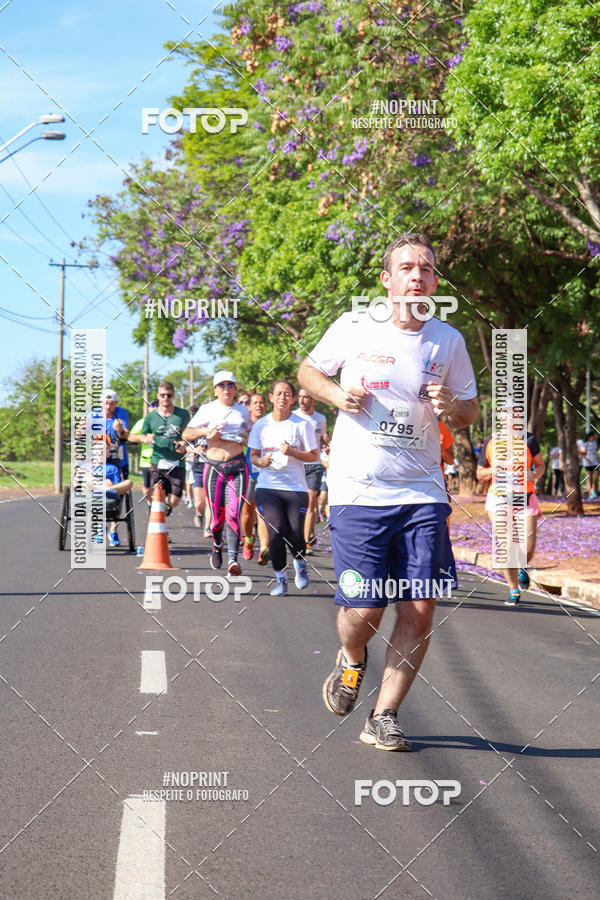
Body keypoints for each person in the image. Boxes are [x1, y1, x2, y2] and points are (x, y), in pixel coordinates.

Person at [298, 232, 478, 751]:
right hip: (357, 490)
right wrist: (337, 394)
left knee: (420, 607)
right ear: (387, 279)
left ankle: (384, 715)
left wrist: (452, 406)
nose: (416, 275)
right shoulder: (354, 326)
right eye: (406, 267)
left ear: (435, 281)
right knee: (366, 608)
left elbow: (469, 412)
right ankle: (353, 658)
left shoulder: (448, 340)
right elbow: (309, 371)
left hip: (422, 490)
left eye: (425, 268)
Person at [248, 381, 319, 595]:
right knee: (275, 531)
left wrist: (293, 453)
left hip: (296, 487)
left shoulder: (301, 424)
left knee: (296, 532)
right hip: (268, 486)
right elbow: (252, 455)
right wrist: (261, 462)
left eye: (287, 394)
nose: (282, 398)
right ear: (271, 397)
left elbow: (314, 455)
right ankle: (280, 580)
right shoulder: (261, 424)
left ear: (293, 399)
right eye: (278, 394)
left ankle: (299, 562)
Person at [182, 371, 251, 576]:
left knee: (233, 513)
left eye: (230, 385)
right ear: (215, 390)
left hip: (237, 466)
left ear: (235, 388)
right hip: (213, 467)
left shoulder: (243, 411)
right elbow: (186, 433)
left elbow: (252, 435)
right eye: (222, 385)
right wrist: (206, 432)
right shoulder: (207, 410)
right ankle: (217, 544)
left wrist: (245, 438)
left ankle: (233, 560)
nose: (226, 389)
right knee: (217, 518)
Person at [477, 424, 545, 606]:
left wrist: (535, 473)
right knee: (507, 547)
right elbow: (480, 473)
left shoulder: (529, 439)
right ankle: (513, 589)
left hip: (525, 498)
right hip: (499, 499)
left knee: (528, 548)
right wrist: (495, 469)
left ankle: (522, 566)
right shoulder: (490, 441)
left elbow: (540, 466)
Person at [137, 382, 190, 518]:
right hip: (157, 461)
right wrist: (146, 437)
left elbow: (189, 435)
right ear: (158, 396)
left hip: (177, 462)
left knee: (174, 501)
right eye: (163, 395)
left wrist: (183, 443)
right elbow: (142, 435)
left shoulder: (182, 414)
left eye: (169, 395)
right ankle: (159, 520)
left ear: (173, 396)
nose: (166, 398)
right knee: (157, 495)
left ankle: (166, 507)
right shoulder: (151, 417)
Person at [292, 389, 329, 555]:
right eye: (300, 397)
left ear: (313, 399)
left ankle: (306, 541)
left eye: (306, 397)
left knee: (310, 501)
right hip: (295, 464)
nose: (302, 400)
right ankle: (298, 533)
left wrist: (325, 445)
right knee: (296, 503)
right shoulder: (292, 416)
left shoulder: (321, 419)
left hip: (314, 464)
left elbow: (321, 440)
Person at [241, 392, 271, 564]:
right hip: (249, 471)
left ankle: (264, 548)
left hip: (266, 471)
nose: (259, 405)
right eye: (255, 403)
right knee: (247, 511)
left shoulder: (271, 423)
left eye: (262, 402)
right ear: (249, 406)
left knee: (263, 511)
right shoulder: (244, 425)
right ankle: (249, 539)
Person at [128, 398, 158, 503]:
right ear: (148, 409)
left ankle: (158, 506)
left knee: (159, 488)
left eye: (157, 406)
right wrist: (143, 438)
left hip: (161, 460)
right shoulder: (143, 422)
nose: (155, 408)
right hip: (146, 461)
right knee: (147, 490)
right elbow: (130, 436)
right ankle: (150, 503)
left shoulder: (164, 422)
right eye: (152, 406)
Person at [583, 431, 599, 499]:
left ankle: (593, 489)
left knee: (596, 477)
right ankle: (590, 494)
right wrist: (587, 459)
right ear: (590, 437)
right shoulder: (585, 444)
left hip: (595, 462)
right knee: (589, 479)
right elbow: (583, 454)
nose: (594, 437)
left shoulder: (595, 443)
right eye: (593, 436)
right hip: (588, 463)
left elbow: (595, 453)